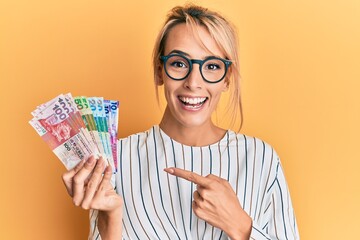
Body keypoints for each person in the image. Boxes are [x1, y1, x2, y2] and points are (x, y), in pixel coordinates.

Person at [62, 4, 299, 240]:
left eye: (212, 66)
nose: (193, 82)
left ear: (227, 79)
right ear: (159, 70)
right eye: (179, 63)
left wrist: (239, 224)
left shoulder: (261, 158)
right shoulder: (115, 160)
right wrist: (111, 218)